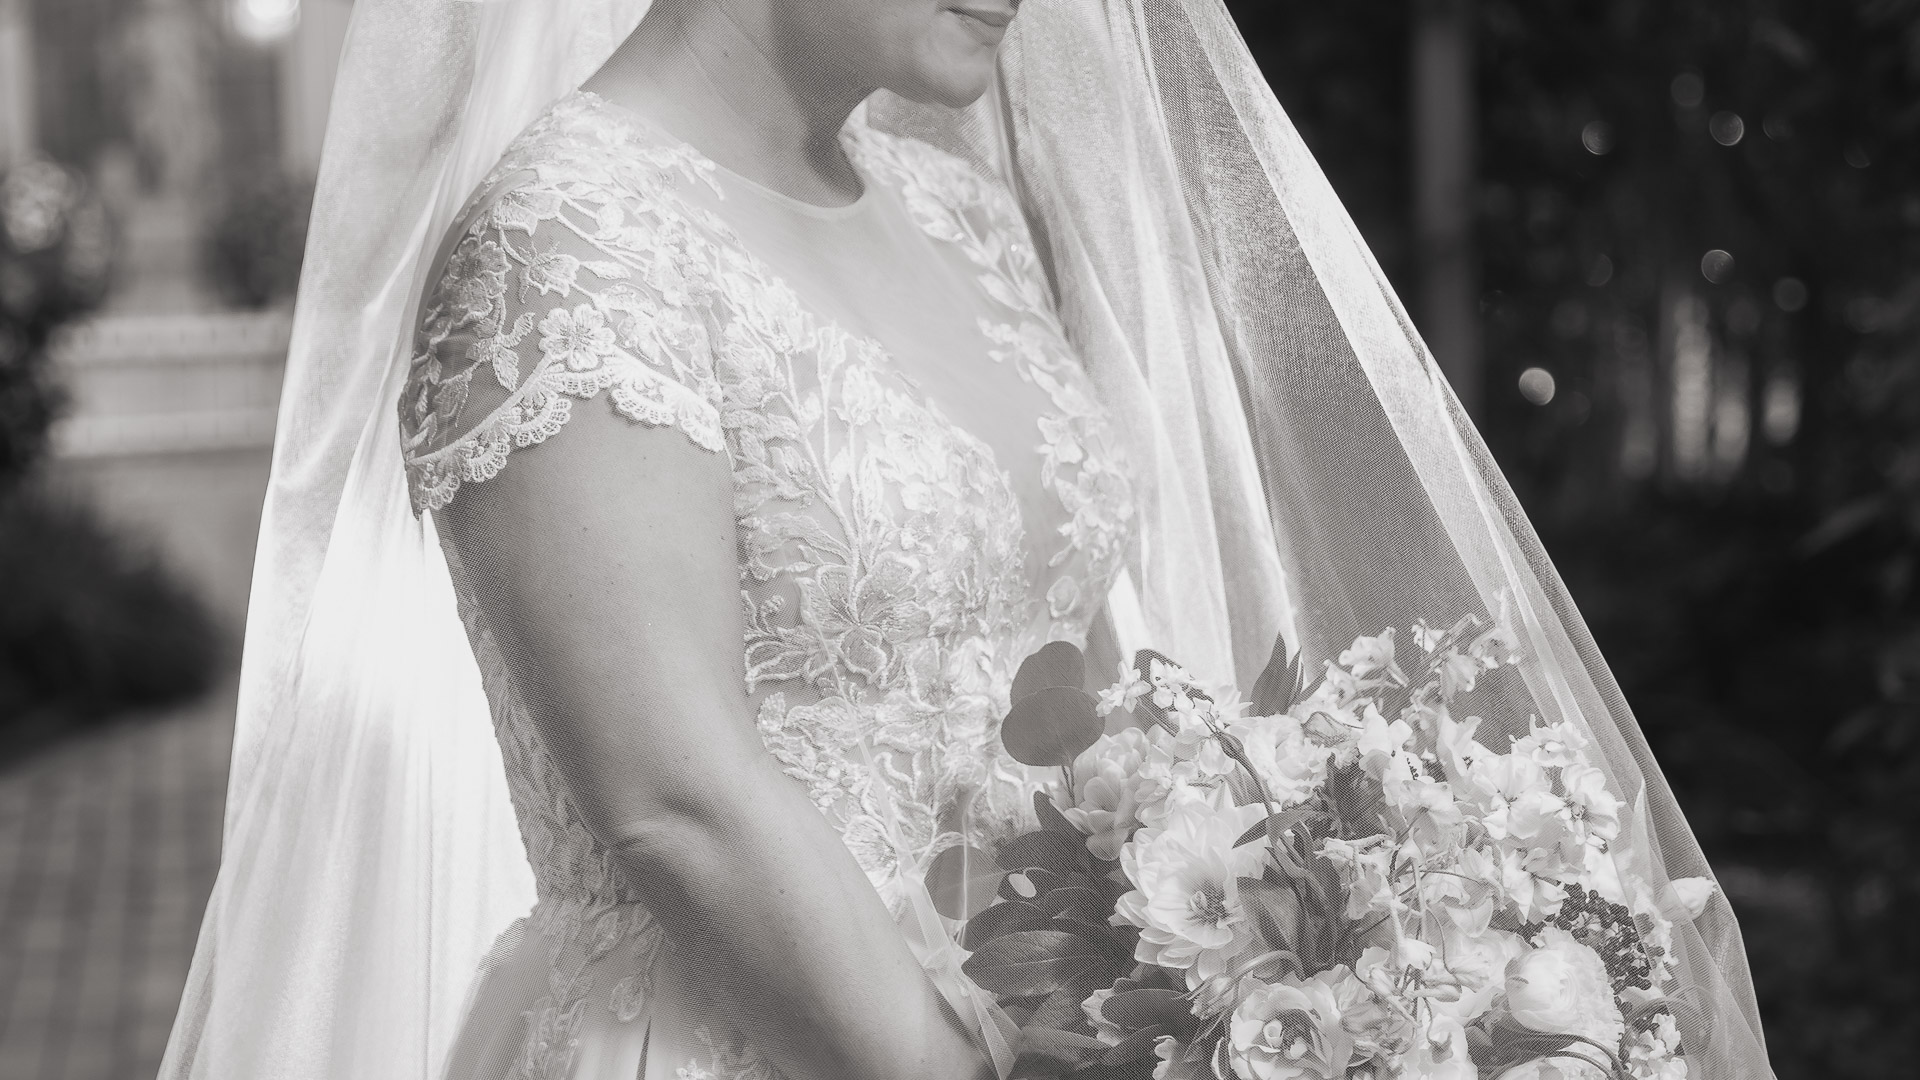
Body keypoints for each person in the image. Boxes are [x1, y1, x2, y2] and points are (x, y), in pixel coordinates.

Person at [160, 2, 1776, 1079]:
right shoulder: (566, 242)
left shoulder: (953, 211)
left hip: (1051, 1023)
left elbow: (1071, 685)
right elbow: (676, 800)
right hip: (751, 1038)